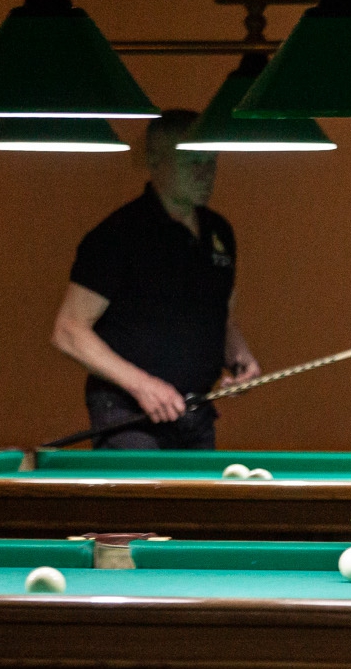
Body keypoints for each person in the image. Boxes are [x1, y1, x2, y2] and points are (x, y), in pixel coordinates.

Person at [51, 111, 259, 448]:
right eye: (192, 161)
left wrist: (238, 356)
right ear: (155, 162)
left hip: (194, 412)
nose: (205, 172)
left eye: (211, 161)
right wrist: (142, 385)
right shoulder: (118, 235)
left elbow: (221, 316)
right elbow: (68, 330)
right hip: (129, 416)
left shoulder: (219, 232)